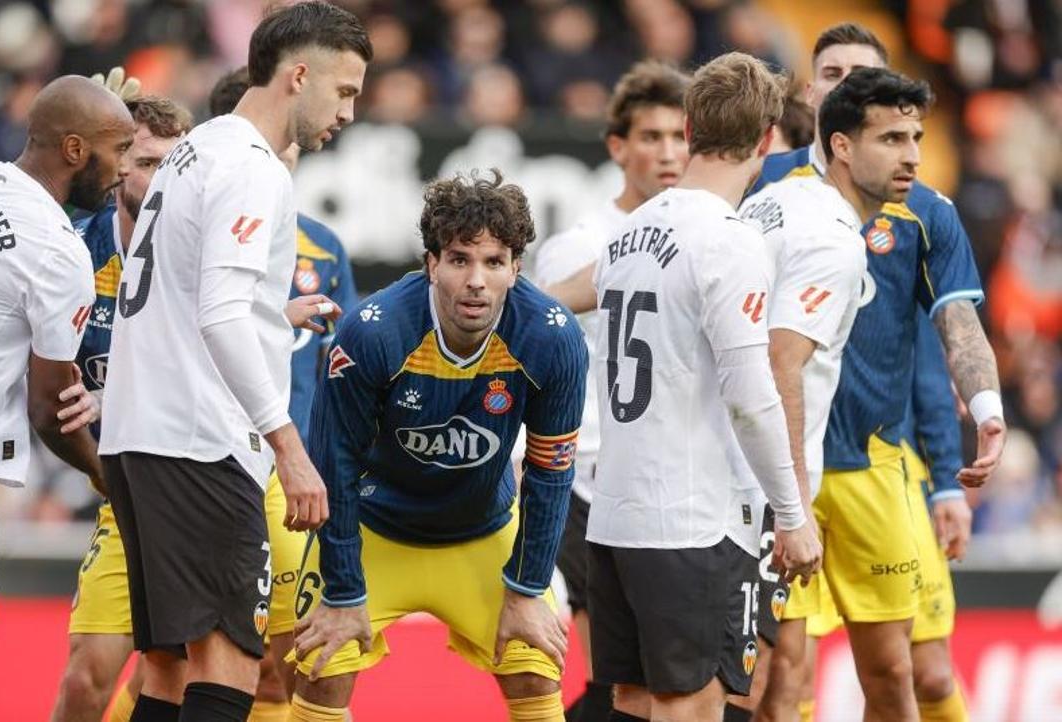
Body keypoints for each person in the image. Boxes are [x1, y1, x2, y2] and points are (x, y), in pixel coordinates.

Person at [97, 3, 372, 721]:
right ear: (299, 75)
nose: (349, 111)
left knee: (165, 670)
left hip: (138, 434)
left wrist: (270, 318)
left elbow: (195, 296)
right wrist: (288, 446)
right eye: (344, 91)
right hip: (199, 441)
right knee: (231, 665)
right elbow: (219, 313)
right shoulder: (254, 168)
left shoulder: (196, 148)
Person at [751, 24, 1002, 722]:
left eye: (864, 74)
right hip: (780, 470)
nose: (848, 85)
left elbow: (943, 336)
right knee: (779, 672)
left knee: (901, 666)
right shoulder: (765, 189)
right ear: (815, 94)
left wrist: (977, 420)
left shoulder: (925, 211)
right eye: (834, 73)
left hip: (874, 465)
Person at [289, 170, 588, 722]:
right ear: (431, 264)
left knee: (536, 671)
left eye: (494, 262)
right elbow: (335, 466)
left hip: (483, 532)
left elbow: (550, 472)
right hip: (375, 531)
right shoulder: (373, 331)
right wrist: (344, 588)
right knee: (319, 671)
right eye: (459, 259)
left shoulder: (552, 336)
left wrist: (526, 590)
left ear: (516, 268)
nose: (476, 280)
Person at [584, 52, 822, 722]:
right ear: (768, 140)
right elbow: (751, 393)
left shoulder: (626, 233)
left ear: (688, 129)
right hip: (688, 518)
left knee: (631, 700)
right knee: (692, 703)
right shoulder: (729, 240)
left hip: (616, 512)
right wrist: (793, 516)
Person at [729, 67, 942, 722]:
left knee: (878, 671)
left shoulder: (780, 203)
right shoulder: (831, 237)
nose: (910, 156)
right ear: (841, 145)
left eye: (915, 137)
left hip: (758, 476)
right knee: (760, 680)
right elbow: (781, 366)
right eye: (889, 139)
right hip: (762, 489)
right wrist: (791, 511)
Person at [0, 75, 135, 722]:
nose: (123, 168)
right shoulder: (61, 254)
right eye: (117, 149)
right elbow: (49, 408)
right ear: (74, 150)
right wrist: (109, 478)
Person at [528, 58, 690, 722]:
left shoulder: (705, 234)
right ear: (619, 147)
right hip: (585, 479)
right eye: (652, 137)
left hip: (669, 480)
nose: (670, 152)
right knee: (617, 683)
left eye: (682, 137)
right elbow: (540, 336)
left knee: (664, 683)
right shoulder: (580, 245)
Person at [207, 65, 359, 722]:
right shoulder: (217, 208)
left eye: (293, 149)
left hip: (293, 468)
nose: (286, 159)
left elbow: (345, 355)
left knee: (291, 660)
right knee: (194, 655)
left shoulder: (323, 247)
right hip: (218, 454)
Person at [49, 95, 194, 722]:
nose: (161, 181)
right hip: (119, 486)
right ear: (115, 170)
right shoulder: (72, 254)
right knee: (88, 677)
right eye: (146, 163)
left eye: (173, 164)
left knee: (196, 670)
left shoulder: (199, 253)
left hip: (201, 478)